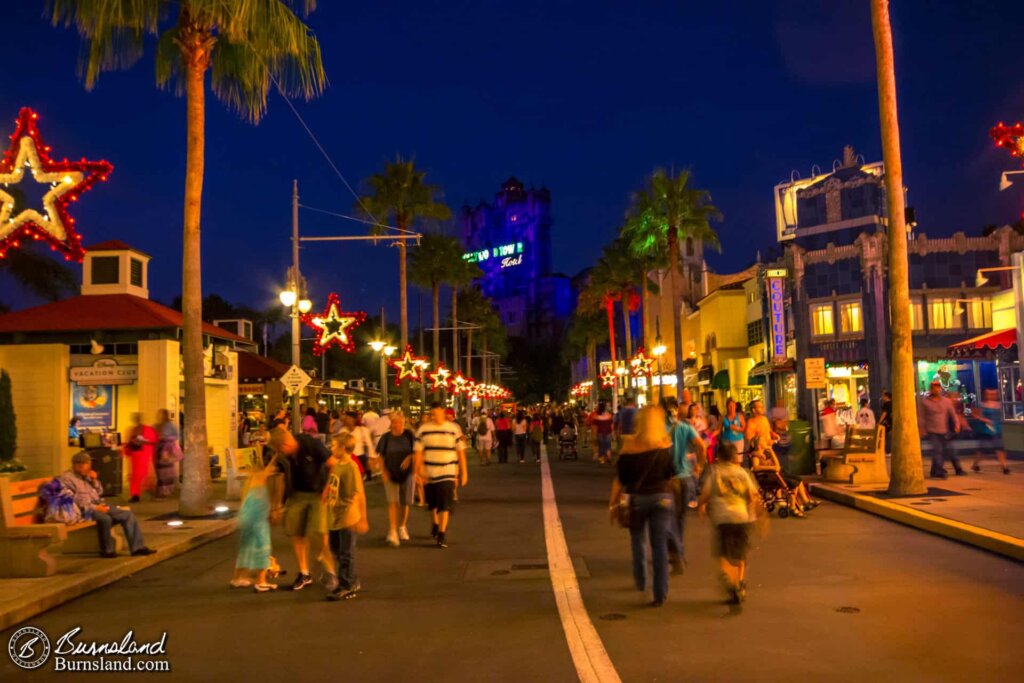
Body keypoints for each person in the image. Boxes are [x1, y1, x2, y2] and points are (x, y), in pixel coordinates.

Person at [608, 407, 678, 607]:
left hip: (637, 499)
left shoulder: (629, 446)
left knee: (637, 541)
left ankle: (641, 580)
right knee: (660, 546)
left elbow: (621, 479)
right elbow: (671, 474)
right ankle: (660, 593)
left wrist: (612, 504)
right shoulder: (664, 446)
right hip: (662, 499)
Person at [269, 425, 333, 590]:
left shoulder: (311, 444)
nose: (281, 454)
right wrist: (276, 505)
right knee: (297, 533)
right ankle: (304, 573)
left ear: (286, 444)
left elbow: (333, 464)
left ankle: (326, 565)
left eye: (281, 450)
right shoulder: (284, 457)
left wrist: (328, 488)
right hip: (296, 495)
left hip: (318, 494)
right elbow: (279, 477)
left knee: (320, 531)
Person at [698, 442, 760, 607]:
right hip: (741, 517)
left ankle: (730, 581)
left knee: (722, 554)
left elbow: (705, 494)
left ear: (718, 457)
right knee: (740, 554)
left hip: (723, 518)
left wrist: (701, 505)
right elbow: (752, 495)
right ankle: (739, 583)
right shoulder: (742, 473)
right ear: (734, 457)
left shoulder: (715, 472)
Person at [60, 451, 156, 558]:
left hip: (98, 505)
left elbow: (99, 492)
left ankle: (138, 547)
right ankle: (107, 550)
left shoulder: (86, 475)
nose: (88, 467)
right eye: (86, 464)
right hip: (82, 511)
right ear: (76, 465)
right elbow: (76, 501)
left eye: (89, 464)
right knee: (105, 519)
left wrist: (94, 481)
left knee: (127, 515)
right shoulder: (68, 479)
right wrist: (97, 508)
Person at [414, 403, 468, 549]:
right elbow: (418, 452)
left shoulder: (453, 429)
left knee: (444, 504)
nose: (434, 416)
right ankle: (435, 524)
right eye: (432, 414)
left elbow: (460, 452)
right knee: (433, 504)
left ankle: (442, 534)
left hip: (448, 471)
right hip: (429, 472)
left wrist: (463, 472)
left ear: (443, 412)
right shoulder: (424, 430)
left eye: (436, 413)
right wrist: (418, 471)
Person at [324, 432, 368, 601]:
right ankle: (351, 579)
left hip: (347, 516)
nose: (331, 448)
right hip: (335, 515)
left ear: (343, 448)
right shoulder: (338, 464)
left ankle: (347, 585)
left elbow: (357, 493)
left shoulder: (351, 467)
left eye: (334, 445)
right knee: (336, 549)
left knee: (346, 552)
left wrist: (362, 517)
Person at [666, 402, 706, 573]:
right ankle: (679, 552)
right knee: (680, 518)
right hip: (686, 478)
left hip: (668, 480)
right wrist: (699, 466)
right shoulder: (685, 427)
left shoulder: (661, 429)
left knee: (666, 519)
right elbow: (701, 446)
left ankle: (674, 553)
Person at [232, 455, 280, 591]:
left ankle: (236, 579)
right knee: (263, 548)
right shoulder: (260, 478)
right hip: (257, 521)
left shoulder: (250, 481)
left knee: (245, 549)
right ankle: (261, 581)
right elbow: (271, 466)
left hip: (246, 519)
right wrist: (276, 455)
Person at [377, 410, 417, 546]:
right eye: (394, 422)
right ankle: (393, 529)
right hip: (390, 472)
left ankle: (402, 526)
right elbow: (381, 456)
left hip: (408, 474)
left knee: (405, 502)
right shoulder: (386, 438)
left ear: (404, 423)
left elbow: (417, 452)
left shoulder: (409, 435)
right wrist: (383, 471)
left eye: (399, 422)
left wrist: (410, 457)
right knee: (392, 502)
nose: (396, 425)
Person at [918, 380, 963, 479]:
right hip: (932, 430)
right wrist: (922, 429)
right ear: (931, 389)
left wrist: (957, 424)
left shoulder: (946, 401)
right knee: (937, 450)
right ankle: (938, 471)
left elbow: (953, 414)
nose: (936, 389)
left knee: (942, 451)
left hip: (944, 430)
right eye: (934, 387)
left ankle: (934, 470)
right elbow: (921, 416)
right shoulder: (925, 402)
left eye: (938, 387)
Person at [971, 388, 1010, 475]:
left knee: (1000, 449)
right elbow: (975, 414)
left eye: (994, 394)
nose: (992, 396)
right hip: (986, 430)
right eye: (989, 394)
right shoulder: (982, 405)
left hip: (997, 430)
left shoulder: (1000, 405)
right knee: (982, 450)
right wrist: (984, 419)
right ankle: (975, 464)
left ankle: (1005, 467)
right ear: (986, 395)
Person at [124, 412, 157, 503]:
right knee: (135, 476)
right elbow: (129, 443)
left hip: (144, 455)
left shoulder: (147, 429)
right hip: (135, 455)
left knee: (143, 474)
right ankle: (135, 495)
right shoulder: (132, 430)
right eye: (134, 418)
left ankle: (145, 490)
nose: (135, 419)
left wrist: (142, 442)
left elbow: (152, 441)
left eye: (137, 417)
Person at [154, 409, 182, 499]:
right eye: (159, 414)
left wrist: (166, 437)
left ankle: (166, 491)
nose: (159, 416)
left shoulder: (170, 425)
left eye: (161, 414)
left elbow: (176, 436)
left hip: (167, 449)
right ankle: (162, 490)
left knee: (167, 471)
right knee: (160, 471)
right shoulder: (157, 425)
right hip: (159, 449)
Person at [342, 411, 378, 480]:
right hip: (347, 458)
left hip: (359, 458)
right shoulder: (343, 430)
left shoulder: (362, 430)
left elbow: (369, 444)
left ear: (353, 419)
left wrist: (372, 457)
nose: (345, 419)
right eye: (345, 418)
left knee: (358, 480)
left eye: (347, 418)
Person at [721, 399, 745, 465]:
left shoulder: (739, 416)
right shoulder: (723, 417)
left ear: (735, 406)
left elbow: (744, 428)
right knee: (728, 460)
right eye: (729, 406)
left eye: (733, 406)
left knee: (738, 459)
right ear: (726, 407)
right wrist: (709, 436)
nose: (731, 408)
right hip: (727, 441)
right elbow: (718, 430)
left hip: (738, 440)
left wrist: (737, 428)